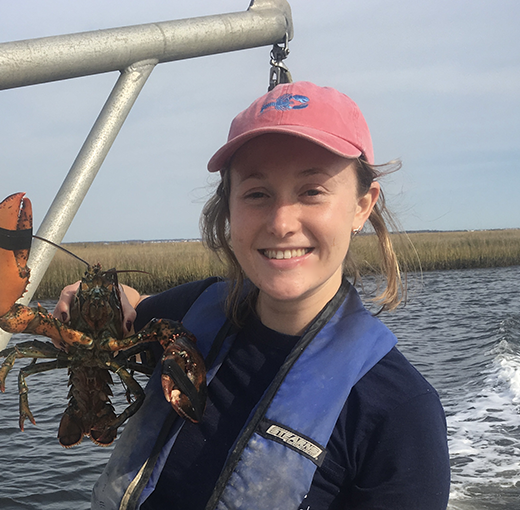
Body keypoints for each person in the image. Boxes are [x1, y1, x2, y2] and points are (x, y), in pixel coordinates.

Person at [53, 81, 450, 509]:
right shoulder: (187, 315)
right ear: (229, 209)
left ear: (362, 205)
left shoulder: (399, 414)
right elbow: (129, 312)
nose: (281, 223)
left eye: (312, 191)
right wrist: (108, 297)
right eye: (257, 194)